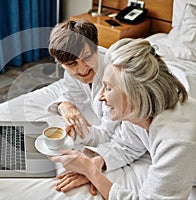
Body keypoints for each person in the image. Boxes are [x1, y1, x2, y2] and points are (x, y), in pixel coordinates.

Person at [49, 38, 196, 199]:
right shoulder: (141, 112)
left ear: (136, 95)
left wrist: (91, 173)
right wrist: (96, 163)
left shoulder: (175, 141)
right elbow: (127, 145)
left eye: (108, 88)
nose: (101, 97)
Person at [47, 20, 150, 194]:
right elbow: (68, 92)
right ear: (62, 63)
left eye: (87, 58)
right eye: (72, 64)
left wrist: (90, 166)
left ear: (97, 47)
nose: (82, 68)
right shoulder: (73, 70)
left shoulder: (117, 77)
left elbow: (111, 134)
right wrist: (65, 106)